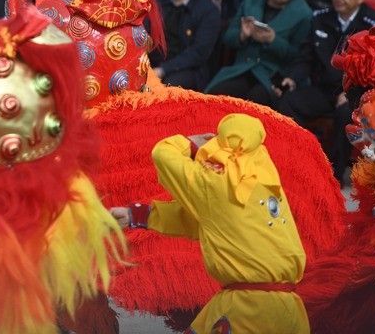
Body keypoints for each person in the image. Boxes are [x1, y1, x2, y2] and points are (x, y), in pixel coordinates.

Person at [111, 115, 308, 334]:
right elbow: (204, 221)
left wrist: (192, 143)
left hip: (250, 309)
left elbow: (162, 154)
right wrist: (137, 215)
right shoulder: (266, 185)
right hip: (288, 309)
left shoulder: (216, 183)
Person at [279, 0, 375, 179]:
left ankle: (331, 175)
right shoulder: (321, 18)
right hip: (326, 89)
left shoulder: (374, 26)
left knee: (346, 114)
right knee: (288, 102)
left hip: (356, 93)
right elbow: (306, 57)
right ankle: (297, 160)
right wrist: (292, 78)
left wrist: (352, 93)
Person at [206, 0, 312, 106]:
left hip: (272, 75)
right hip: (242, 68)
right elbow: (228, 38)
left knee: (254, 104)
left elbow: (299, 56)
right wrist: (242, 35)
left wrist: (273, 41)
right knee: (214, 96)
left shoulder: (304, 13)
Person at [152, 0, 221, 90]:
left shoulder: (208, 11)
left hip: (187, 68)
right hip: (153, 61)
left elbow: (198, 53)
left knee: (167, 87)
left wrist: (164, 69)